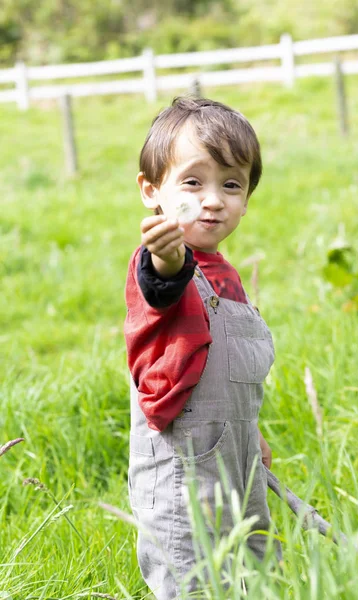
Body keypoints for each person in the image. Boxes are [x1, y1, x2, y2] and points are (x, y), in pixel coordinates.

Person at [124, 96, 275, 599]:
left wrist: (248, 435)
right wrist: (166, 256)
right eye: (193, 182)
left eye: (231, 184)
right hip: (181, 461)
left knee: (254, 561)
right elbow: (162, 285)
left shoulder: (227, 274)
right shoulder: (164, 261)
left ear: (248, 196)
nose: (213, 199)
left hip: (236, 455)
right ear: (152, 191)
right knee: (190, 568)